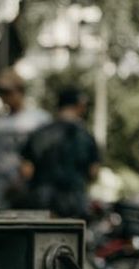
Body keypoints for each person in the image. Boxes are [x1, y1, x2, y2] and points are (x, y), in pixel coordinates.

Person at [20, 88, 100, 219]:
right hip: (75, 203)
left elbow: (26, 171)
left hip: (42, 204)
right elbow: (93, 172)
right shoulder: (86, 137)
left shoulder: (39, 134)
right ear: (80, 107)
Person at [0, 69, 50, 209]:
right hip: (2, 184)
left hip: (30, 185)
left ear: (20, 91)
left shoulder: (39, 120)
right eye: (1, 93)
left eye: (8, 92)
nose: (5, 97)